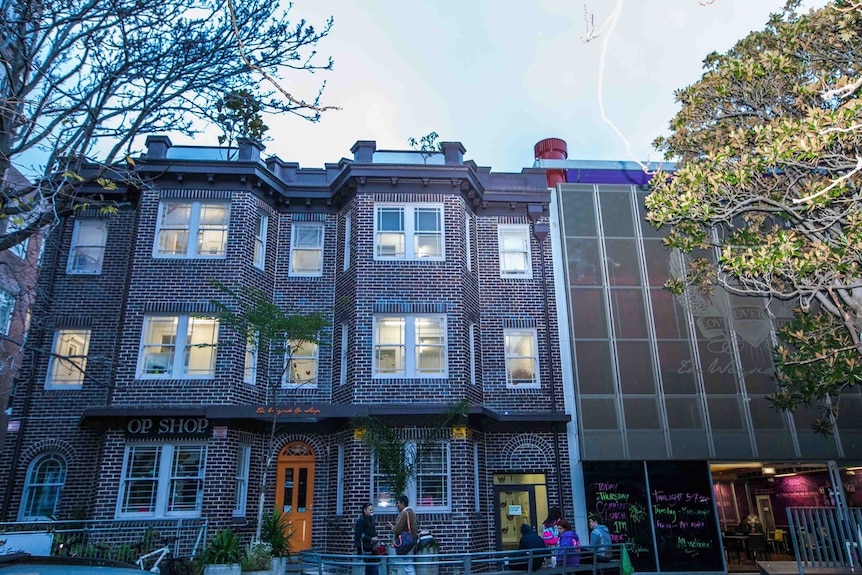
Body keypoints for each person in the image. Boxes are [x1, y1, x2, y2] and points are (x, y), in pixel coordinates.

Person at [389, 494, 419, 575]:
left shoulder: (404, 513)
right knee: (409, 563)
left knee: (407, 565)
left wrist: (392, 527)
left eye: (398, 503)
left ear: (402, 503)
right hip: (411, 541)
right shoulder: (411, 512)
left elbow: (397, 529)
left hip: (405, 543)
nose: (397, 505)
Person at [355, 503, 380, 575]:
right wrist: (371, 539)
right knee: (371, 568)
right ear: (364, 510)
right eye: (370, 510)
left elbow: (372, 531)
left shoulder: (371, 519)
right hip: (365, 547)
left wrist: (375, 538)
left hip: (372, 547)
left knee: (372, 568)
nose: (372, 511)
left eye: (372, 510)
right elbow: (360, 535)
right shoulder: (362, 521)